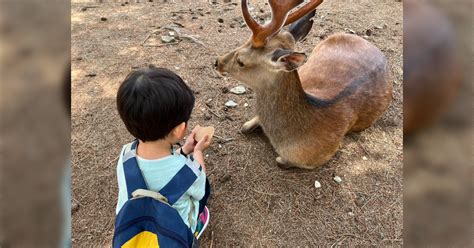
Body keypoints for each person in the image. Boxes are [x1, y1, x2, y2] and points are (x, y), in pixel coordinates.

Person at [115, 67, 211, 238]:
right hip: (172, 232)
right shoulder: (188, 170)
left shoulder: (126, 154)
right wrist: (197, 152)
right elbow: (200, 189)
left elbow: (158, 169)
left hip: (133, 228)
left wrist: (184, 150)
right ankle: (194, 226)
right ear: (179, 130)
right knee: (206, 188)